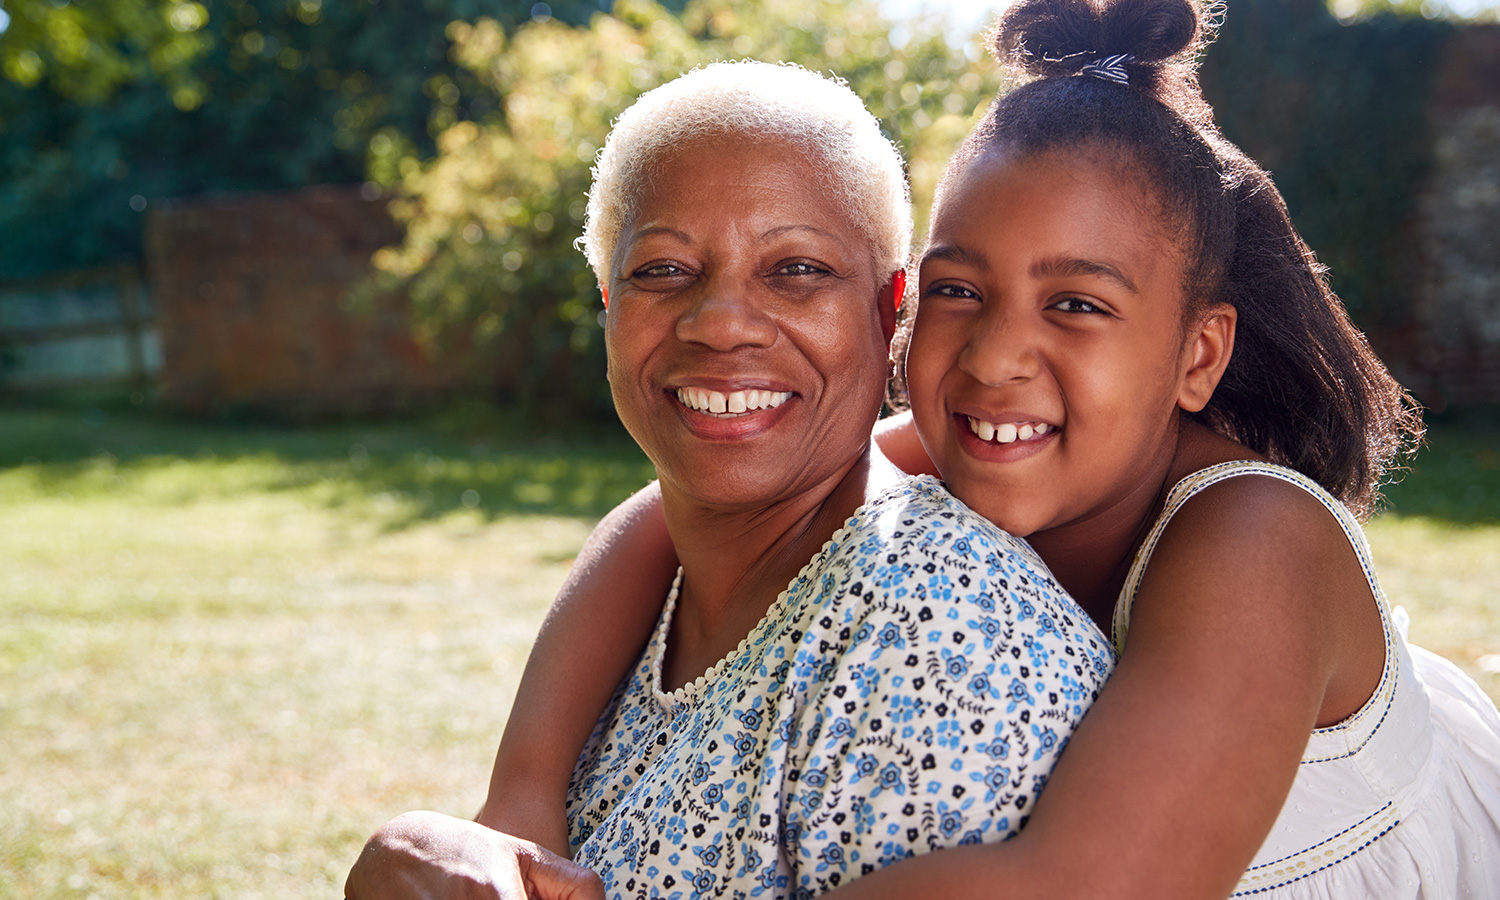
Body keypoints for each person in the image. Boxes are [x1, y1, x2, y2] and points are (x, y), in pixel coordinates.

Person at [385, 0, 1500, 896]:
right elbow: (658, 523)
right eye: (961, 291)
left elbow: (1078, 884)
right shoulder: (981, 443)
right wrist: (522, 798)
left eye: (1076, 306)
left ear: (1198, 357)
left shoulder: (1253, 538)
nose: (995, 356)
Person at [344, 60, 1115, 900]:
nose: (719, 324)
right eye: (664, 271)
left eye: (797, 270)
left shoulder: (937, 631)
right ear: (608, 298)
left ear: (891, 308)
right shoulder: (656, 590)